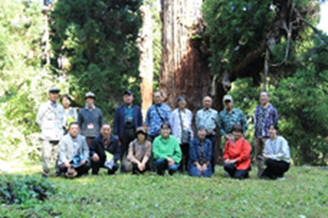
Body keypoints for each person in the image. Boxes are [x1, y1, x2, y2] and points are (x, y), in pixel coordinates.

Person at [36, 87, 65, 178]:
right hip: (47, 135)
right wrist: (44, 128)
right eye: (52, 93)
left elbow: (63, 120)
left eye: (56, 94)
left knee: (57, 155)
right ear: (49, 95)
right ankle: (46, 172)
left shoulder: (60, 107)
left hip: (58, 134)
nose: (54, 95)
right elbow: (38, 120)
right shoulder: (44, 106)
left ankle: (57, 171)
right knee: (46, 155)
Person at [114, 90, 143, 172]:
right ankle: (123, 167)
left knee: (134, 149)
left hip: (134, 130)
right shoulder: (119, 109)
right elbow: (116, 122)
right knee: (123, 149)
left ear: (132, 98)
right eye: (126, 96)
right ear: (123, 98)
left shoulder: (137, 109)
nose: (128, 98)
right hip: (123, 131)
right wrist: (116, 134)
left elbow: (140, 121)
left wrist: (140, 132)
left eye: (129, 96)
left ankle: (134, 166)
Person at [254, 91, 279, 176]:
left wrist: (273, 133)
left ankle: (271, 171)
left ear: (268, 98)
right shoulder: (257, 108)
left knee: (269, 154)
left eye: (264, 96)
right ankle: (260, 171)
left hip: (267, 135)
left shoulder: (272, 109)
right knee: (258, 154)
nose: (262, 98)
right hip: (257, 134)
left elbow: (275, 122)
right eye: (261, 96)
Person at [169, 95, 193, 172]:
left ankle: (187, 167)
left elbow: (190, 123)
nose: (182, 103)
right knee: (179, 152)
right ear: (178, 103)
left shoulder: (189, 112)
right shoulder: (174, 113)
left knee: (187, 152)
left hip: (187, 134)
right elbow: (171, 123)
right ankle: (180, 168)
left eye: (184, 101)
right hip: (178, 135)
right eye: (180, 101)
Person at [195, 96, 219, 173]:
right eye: (205, 101)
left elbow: (217, 123)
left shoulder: (215, 113)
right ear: (203, 102)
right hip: (201, 135)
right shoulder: (199, 113)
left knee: (211, 152)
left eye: (209, 101)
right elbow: (197, 123)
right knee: (201, 151)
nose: (207, 103)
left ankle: (211, 169)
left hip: (211, 135)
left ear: (211, 103)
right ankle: (200, 168)